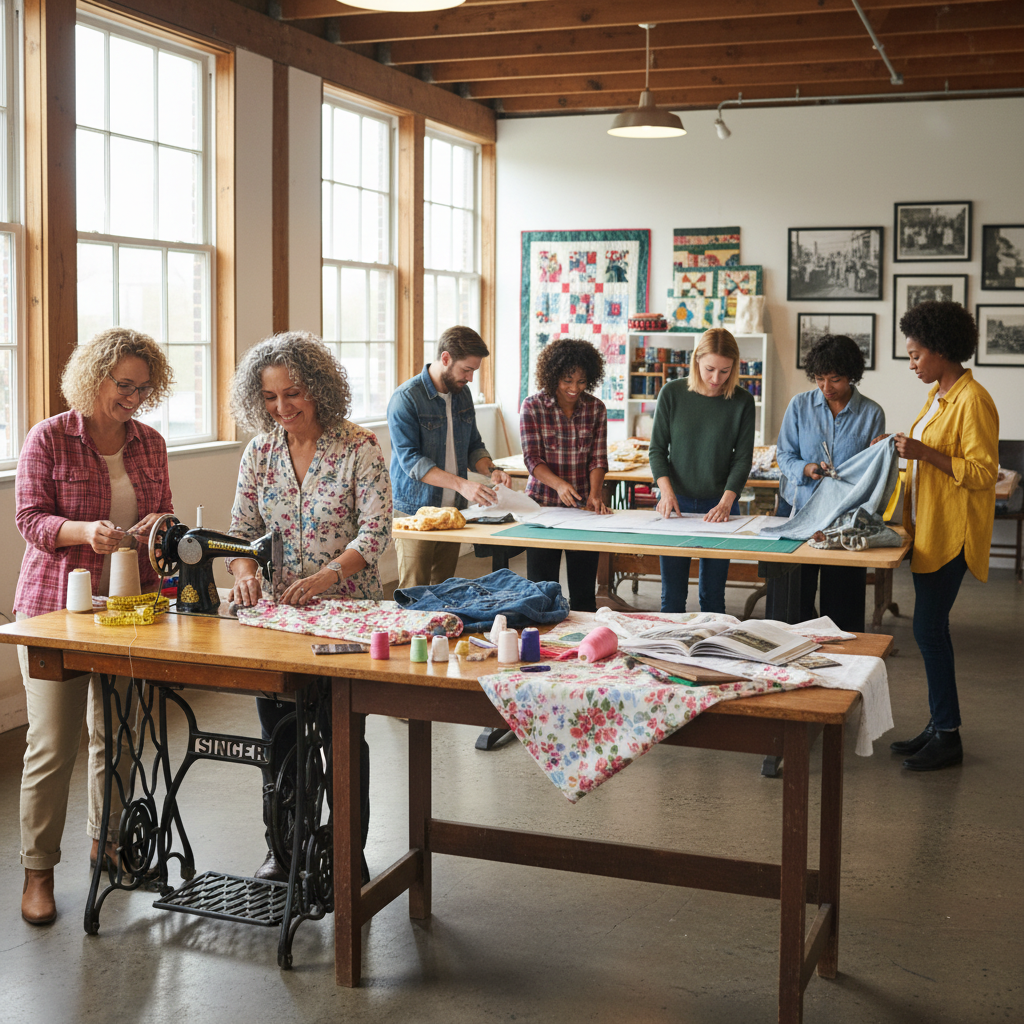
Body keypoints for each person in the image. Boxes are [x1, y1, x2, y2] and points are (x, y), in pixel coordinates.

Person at [14, 327, 175, 925]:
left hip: (128, 609)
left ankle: (106, 843)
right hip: (54, 611)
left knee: (119, 734)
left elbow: (165, 512)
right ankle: (38, 872)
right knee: (52, 745)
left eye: (143, 389)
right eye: (123, 385)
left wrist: (157, 524)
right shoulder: (49, 437)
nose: (132, 398)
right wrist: (86, 531)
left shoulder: (150, 443)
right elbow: (29, 518)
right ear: (93, 378)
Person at [226, 331, 392, 881]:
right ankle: (284, 849)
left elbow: (375, 533)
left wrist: (328, 575)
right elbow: (240, 533)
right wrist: (245, 573)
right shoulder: (260, 452)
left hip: (347, 616)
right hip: (278, 620)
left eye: (292, 393)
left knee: (342, 736)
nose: (282, 407)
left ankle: (347, 854)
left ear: (318, 387)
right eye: (270, 397)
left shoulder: (359, 447)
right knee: (280, 738)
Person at [882, 301, 998, 772]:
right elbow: (927, 453)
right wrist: (899, 448)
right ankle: (938, 726)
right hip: (929, 525)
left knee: (928, 630)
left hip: (953, 532)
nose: (911, 364)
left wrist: (924, 452)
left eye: (916, 355)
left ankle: (948, 735)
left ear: (941, 350)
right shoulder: (939, 395)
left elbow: (983, 472)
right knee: (932, 630)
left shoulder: (973, 400)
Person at [387, 326, 511, 589]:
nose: (470, 378)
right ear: (445, 358)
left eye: (474, 371)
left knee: (444, 590)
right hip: (414, 512)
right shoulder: (406, 398)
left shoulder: (462, 394)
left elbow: (473, 446)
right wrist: (463, 485)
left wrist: (492, 470)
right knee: (415, 591)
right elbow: (411, 461)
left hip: (453, 510)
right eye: (466, 370)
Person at [775, 334, 885, 631]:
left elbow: (871, 472)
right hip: (800, 513)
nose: (826, 387)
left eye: (835, 379)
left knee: (843, 611)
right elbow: (784, 454)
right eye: (819, 378)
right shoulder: (799, 406)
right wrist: (806, 468)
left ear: (852, 375)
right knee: (792, 608)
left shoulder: (871, 413)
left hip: (844, 520)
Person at [649, 328, 755, 613]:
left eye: (725, 371)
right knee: (672, 597)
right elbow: (657, 450)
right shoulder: (672, 393)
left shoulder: (742, 401)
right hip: (676, 504)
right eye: (710, 369)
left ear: (734, 368)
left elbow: (742, 459)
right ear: (696, 360)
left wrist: (727, 501)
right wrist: (666, 493)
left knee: (713, 597)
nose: (716, 379)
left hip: (721, 505)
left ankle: (712, 642)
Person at [519, 337, 610, 612]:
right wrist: (559, 485)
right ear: (553, 375)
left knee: (584, 593)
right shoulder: (532, 406)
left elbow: (598, 458)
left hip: (583, 509)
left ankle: (586, 637)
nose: (574, 388)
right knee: (542, 591)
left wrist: (595, 494)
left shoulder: (596, 408)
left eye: (581, 381)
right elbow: (532, 459)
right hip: (542, 508)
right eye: (567, 380)